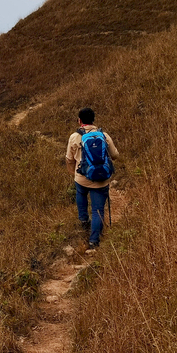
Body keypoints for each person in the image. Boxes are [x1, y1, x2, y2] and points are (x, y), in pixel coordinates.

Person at [66, 107, 119, 252]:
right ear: (93, 120)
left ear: (79, 120)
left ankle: (83, 220)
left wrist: (74, 173)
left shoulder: (74, 137)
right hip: (100, 180)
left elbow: (69, 159)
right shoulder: (103, 135)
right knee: (97, 210)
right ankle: (94, 241)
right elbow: (115, 155)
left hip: (82, 178)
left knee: (81, 194)